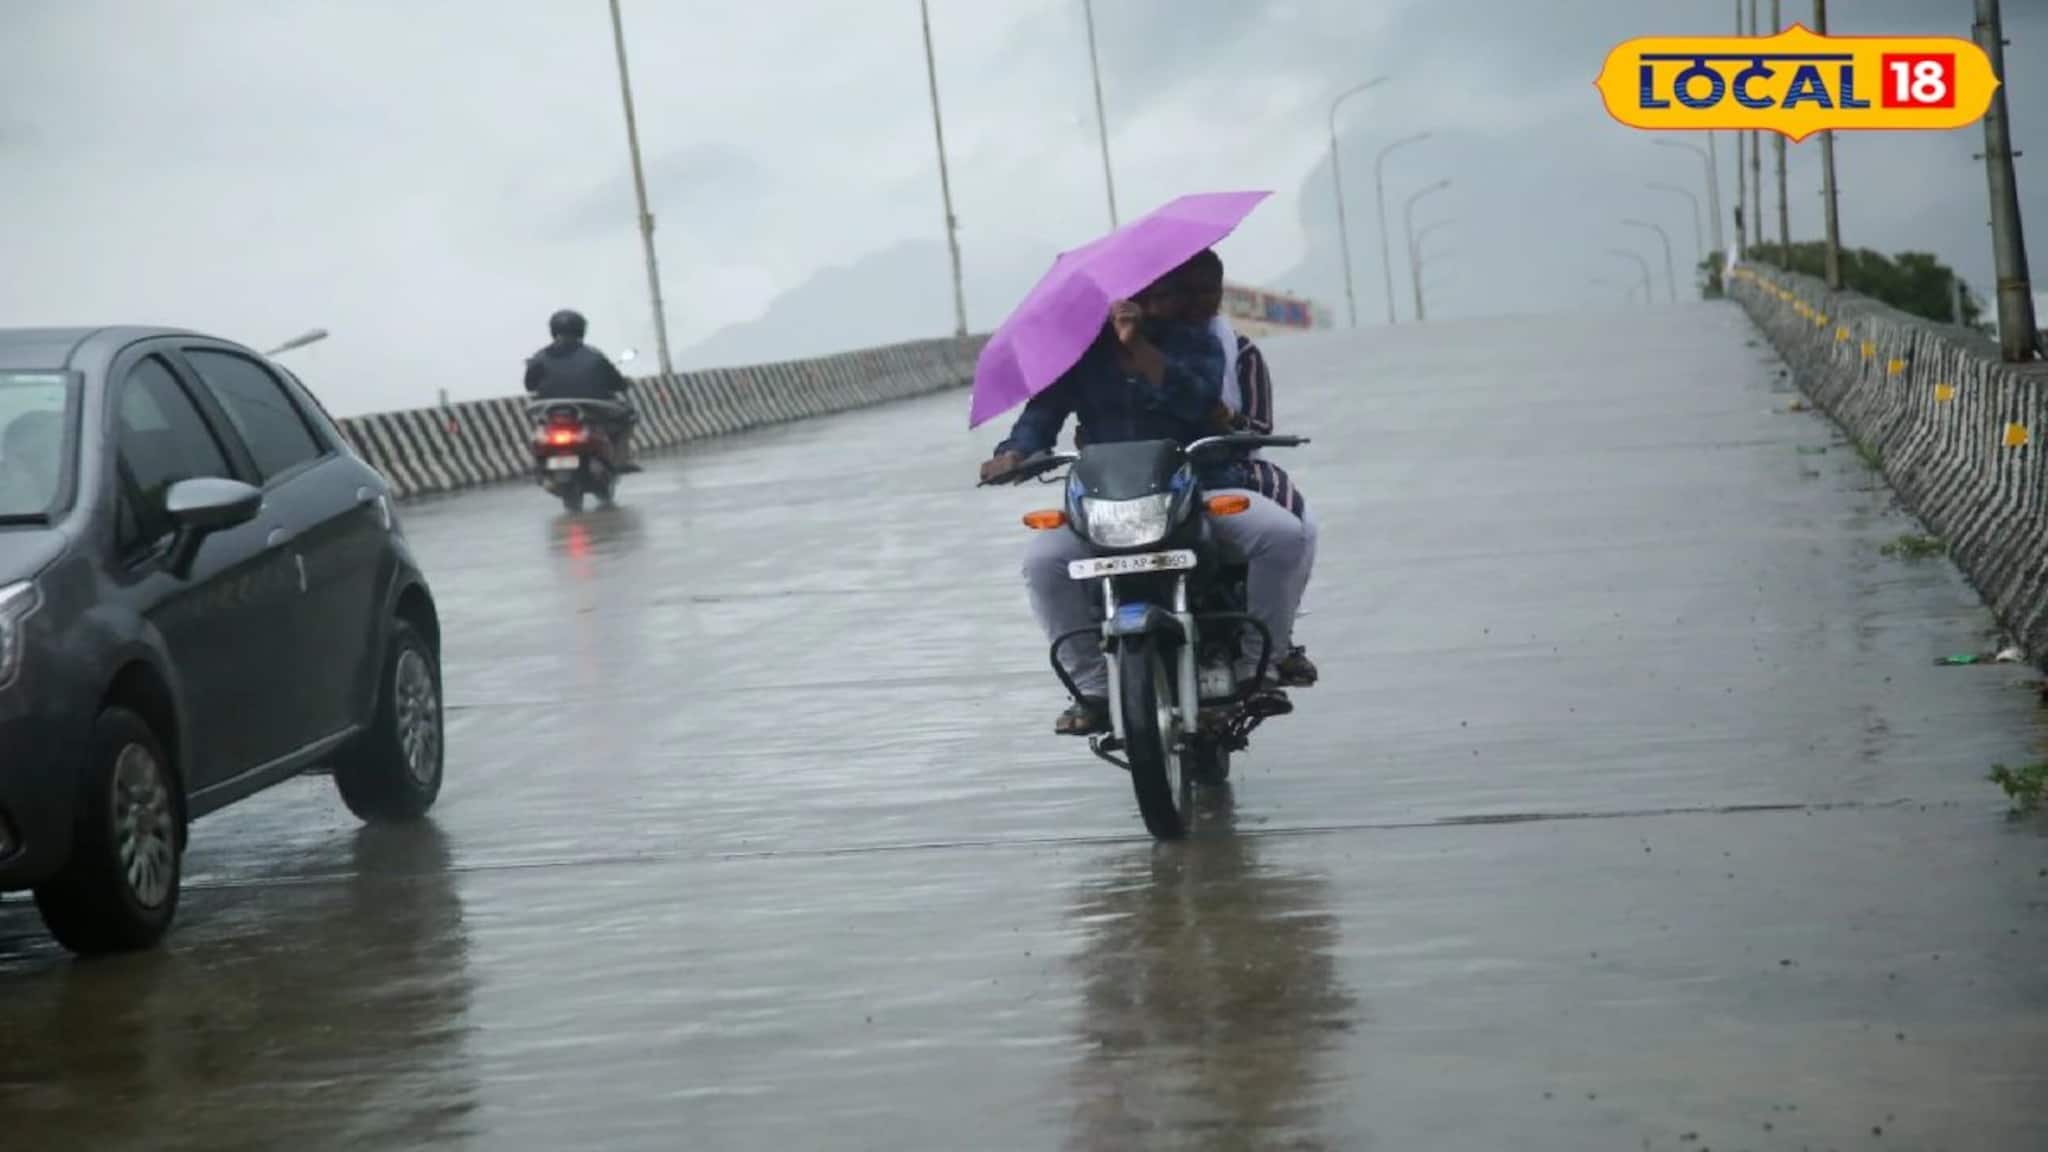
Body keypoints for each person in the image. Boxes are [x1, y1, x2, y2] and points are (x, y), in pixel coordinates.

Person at [981, 275, 1310, 736]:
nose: (1145, 307)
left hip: (1199, 491)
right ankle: (1092, 688)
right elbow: (1040, 416)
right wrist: (1012, 455)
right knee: (1043, 562)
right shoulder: (1079, 356)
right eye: (1136, 298)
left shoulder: (1197, 344)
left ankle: (1262, 667)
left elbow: (1200, 403)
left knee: (1281, 535)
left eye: (1160, 297)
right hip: (1104, 505)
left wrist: (1141, 350)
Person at [1175, 250, 1318, 687]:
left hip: (1223, 465)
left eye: (1209, 291)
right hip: (1145, 483)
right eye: (1188, 292)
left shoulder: (1238, 350)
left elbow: (1257, 427)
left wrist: (1228, 422)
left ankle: (1274, 643)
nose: (1201, 301)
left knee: (1298, 528)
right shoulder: (1130, 353)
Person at [524, 309, 640, 470]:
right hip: (592, 406)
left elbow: (529, 385)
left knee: (539, 424)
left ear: (553, 330)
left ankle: (536, 462)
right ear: (581, 330)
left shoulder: (539, 357)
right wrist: (623, 384)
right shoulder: (594, 355)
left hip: (550, 407)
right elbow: (616, 382)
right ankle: (621, 460)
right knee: (629, 417)